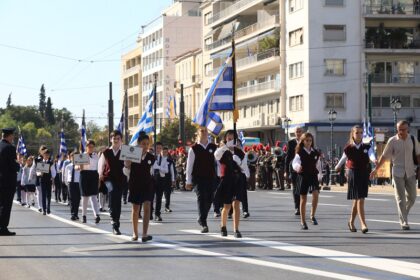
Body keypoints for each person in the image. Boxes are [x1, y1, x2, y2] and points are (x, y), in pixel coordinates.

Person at [370, 120, 419, 230]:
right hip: (397, 172)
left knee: (412, 197)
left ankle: (403, 213)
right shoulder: (392, 141)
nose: (401, 132)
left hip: (411, 172)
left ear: (408, 129)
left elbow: (418, 154)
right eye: (399, 130)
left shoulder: (413, 139)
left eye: (403, 129)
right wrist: (376, 169)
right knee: (400, 198)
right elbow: (384, 156)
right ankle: (404, 221)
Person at [335, 125, 376, 234]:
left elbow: (371, 154)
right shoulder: (349, 147)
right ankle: (363, 224)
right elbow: (343, 158)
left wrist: (374, 160)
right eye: (357, 132)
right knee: (360, 199)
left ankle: (351, 222)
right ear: (352, 134)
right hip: (353, 174)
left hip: (363, 174)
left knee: (357, 200)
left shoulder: (367, 146)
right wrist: (337, 166)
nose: (359, 134)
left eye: (361, 132)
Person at [214, 130, 249, 238]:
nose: (230, 140)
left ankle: (236, 229)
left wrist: (239, 161)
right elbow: (216, 155)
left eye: (232, 139)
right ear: (225, 139)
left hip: (237, 180)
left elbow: (245, 169)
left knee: (236, 204)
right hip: (227, 180)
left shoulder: (240, 152)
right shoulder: (222, 151)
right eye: (228, 138)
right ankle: (223, 226)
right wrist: (225, 146)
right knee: (227, 206)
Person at [123, 132, 155, 242]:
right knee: (135, 209)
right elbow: (126, 171)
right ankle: (135, 233)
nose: (145, 146)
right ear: (138, 144)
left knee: (147, 207)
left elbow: (152, 171)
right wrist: (128, 162)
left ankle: (145, 234)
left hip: (147, 184)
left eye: (147, 144)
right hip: (135, 184)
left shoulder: (151, 157)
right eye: (143, 144)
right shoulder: (132, 154)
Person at [186, 126, 218, 233]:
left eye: (205, 131)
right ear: (198, 133)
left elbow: (218, 163)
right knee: (201, 197)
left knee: (209, 198)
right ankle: (203, 222)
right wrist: (188, 181)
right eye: (201, 131)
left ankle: (202, 217)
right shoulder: (193, 148)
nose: (204, 132)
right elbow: (189, 166)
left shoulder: (213, 147)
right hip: (198, 178)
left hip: (211, 177)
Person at [98, 130, 127, 235]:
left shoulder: (125, 151)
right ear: (111, 139)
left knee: (118, 200)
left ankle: (116, 221)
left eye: (118, 138)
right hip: (108, 179)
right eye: (114, 138)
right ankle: (113, 219)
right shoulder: (106, 152)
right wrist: (100, 175)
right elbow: (101, 165)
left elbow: (128, 166)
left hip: (120, 179)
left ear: (121, 140)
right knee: (112, 193)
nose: (116, 140)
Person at [292, 132, 322, 230]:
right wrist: (297, 167)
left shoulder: (315, 153)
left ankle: (312, 215)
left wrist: (320, 176)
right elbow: (294, 163)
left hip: (313, 175)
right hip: (303, 176)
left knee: (316, 194)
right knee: (303, 199)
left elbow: (318, 165)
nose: (309, 142)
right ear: (303, 141)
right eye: (307, 140)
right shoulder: (299, 152)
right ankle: (303, 221)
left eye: (310, 140)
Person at [0, 128, 20, 236]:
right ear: (9, 136)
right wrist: (18, 166)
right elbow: (14, 166)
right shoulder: (10, 148)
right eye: (12, 136)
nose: (13, 138)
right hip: (7, 181)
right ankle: (3, 228)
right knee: (6, 205)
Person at [79, 140, 101, 224]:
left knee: (94, 197)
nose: (90, 148)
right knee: (85, 197)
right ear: (86, 147)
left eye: (92, 146)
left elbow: (98, 168)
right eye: (89, 146)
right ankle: (84, 215)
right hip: (84, 175)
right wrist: (80, 166)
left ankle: (97, 215)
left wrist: (99, 179)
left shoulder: (96, 156)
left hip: (94, 175)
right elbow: (77, 167)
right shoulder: (82, 155)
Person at [285, 126, 304, 215]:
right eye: (297, 131)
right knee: (295, 188)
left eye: (300, 131)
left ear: (302, 132)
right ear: (295, 133)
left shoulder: (306, 142)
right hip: (293, 169)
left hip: (303, 169)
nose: (298, 133)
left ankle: (301, 206)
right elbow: (288, 157)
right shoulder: (291, 143)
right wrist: (286, 171)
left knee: (302, 189)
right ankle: (297, 207)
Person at [32, 149, 56, 215]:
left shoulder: (51, 163)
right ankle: (44, 209)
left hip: (48, 180)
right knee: (43, 195)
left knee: (49, 195)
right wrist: (40, 173)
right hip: (42, 180)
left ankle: (48, 208)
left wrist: (52, 177)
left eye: (47, 155)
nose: (46, 156)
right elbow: (37, 172)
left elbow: (54, 172)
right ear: (43, 155)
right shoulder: (40, 162)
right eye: (45, 154)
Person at [64, 153, 81, 221]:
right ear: (70, 158)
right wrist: (66, 183)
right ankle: (73, 214)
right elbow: (65, 175)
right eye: (72, 157)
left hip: (78, 183)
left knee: (77, 199)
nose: (74, 158)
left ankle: (76, 213)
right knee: (71, 199)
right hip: (70, 183)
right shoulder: (68, 166)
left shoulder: (80, 166)